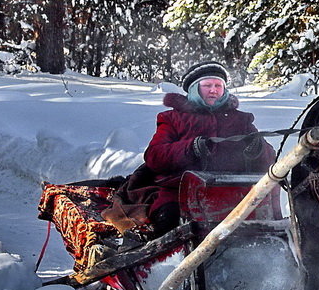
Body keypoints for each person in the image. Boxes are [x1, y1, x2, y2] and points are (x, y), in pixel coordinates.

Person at [104, 61, 275, 238]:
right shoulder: (173, 118)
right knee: (168, 217)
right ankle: (166, 262)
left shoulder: (241, 120)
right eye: (207, 85)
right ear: (194, 89)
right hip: (178, 191)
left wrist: (258, 150)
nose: (213, 90)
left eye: (218, 85)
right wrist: (190, 148)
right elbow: (154, 156)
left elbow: (270, 162)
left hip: (232, 190)